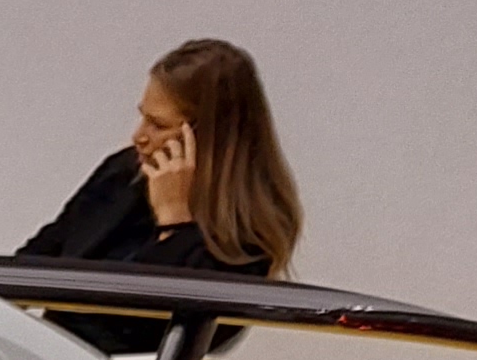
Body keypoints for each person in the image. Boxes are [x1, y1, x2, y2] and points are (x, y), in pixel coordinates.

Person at [24, 37, 301, 271]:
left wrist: (174, 222)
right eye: (143, 117)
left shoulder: (249, 233)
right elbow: (35, 261)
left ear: (207, 137)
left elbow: (154, 313)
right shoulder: (122, 172)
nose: (138, 137)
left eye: (158, 125)